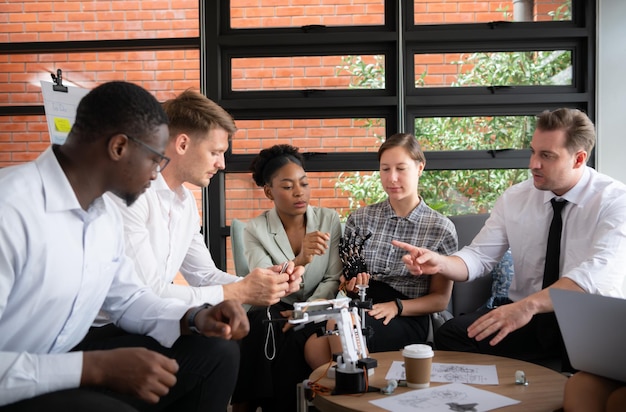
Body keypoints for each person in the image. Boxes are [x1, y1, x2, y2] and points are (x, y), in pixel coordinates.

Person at [0, 81, 250, 412]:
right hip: (16, 379)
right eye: (155, 157)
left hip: (62, 359)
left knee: (216, 352)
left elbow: (130, 299)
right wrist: (97, 368)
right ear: (119, 147)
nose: (159, 172)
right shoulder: (11, 208)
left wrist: (194, 318)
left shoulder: (103, 216)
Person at [394, 108, 626, 368]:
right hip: (528, 319)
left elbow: (594, 275)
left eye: (546, 156)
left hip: (588, 320)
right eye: (533, 151)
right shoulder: (516, 198)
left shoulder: (615, 201)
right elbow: (480, 256)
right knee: (453, 334)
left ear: (579, 159)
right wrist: (440, 262)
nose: (533, 164)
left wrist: (526, 307)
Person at [107, 89, 302, 309]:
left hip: (150, 318)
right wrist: (241, 290)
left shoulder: (185, 202)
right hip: (106, 326)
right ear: (182, 144)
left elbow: (204, 276)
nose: (222, 164)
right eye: (215, 152)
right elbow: (147, 294)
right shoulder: (130, 196)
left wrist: (265, 283)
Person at [231, 144, 343, 412]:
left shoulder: (329, 220)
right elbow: (265, 282)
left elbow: (333, 278)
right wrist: (300, 259)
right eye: (287, 185)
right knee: (263, 324)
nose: (299, 192)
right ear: (269, 191)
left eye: (304, 183)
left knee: (294, 336)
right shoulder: (255, 229)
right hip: (275, 304)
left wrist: (305, 311)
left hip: (318, 304)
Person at [336, 132, 457, 353]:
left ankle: (357, 385)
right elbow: (345, 281)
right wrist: (350, 285)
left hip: (408, 315)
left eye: (401, 169)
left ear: (420, 168)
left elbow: (440, 300)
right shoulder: (360, 219)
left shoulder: (440, 228)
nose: (392, 178)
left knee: (342, 329)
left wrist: (397, 307)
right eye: (385, 169)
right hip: (363, 305)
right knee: (316, 340)